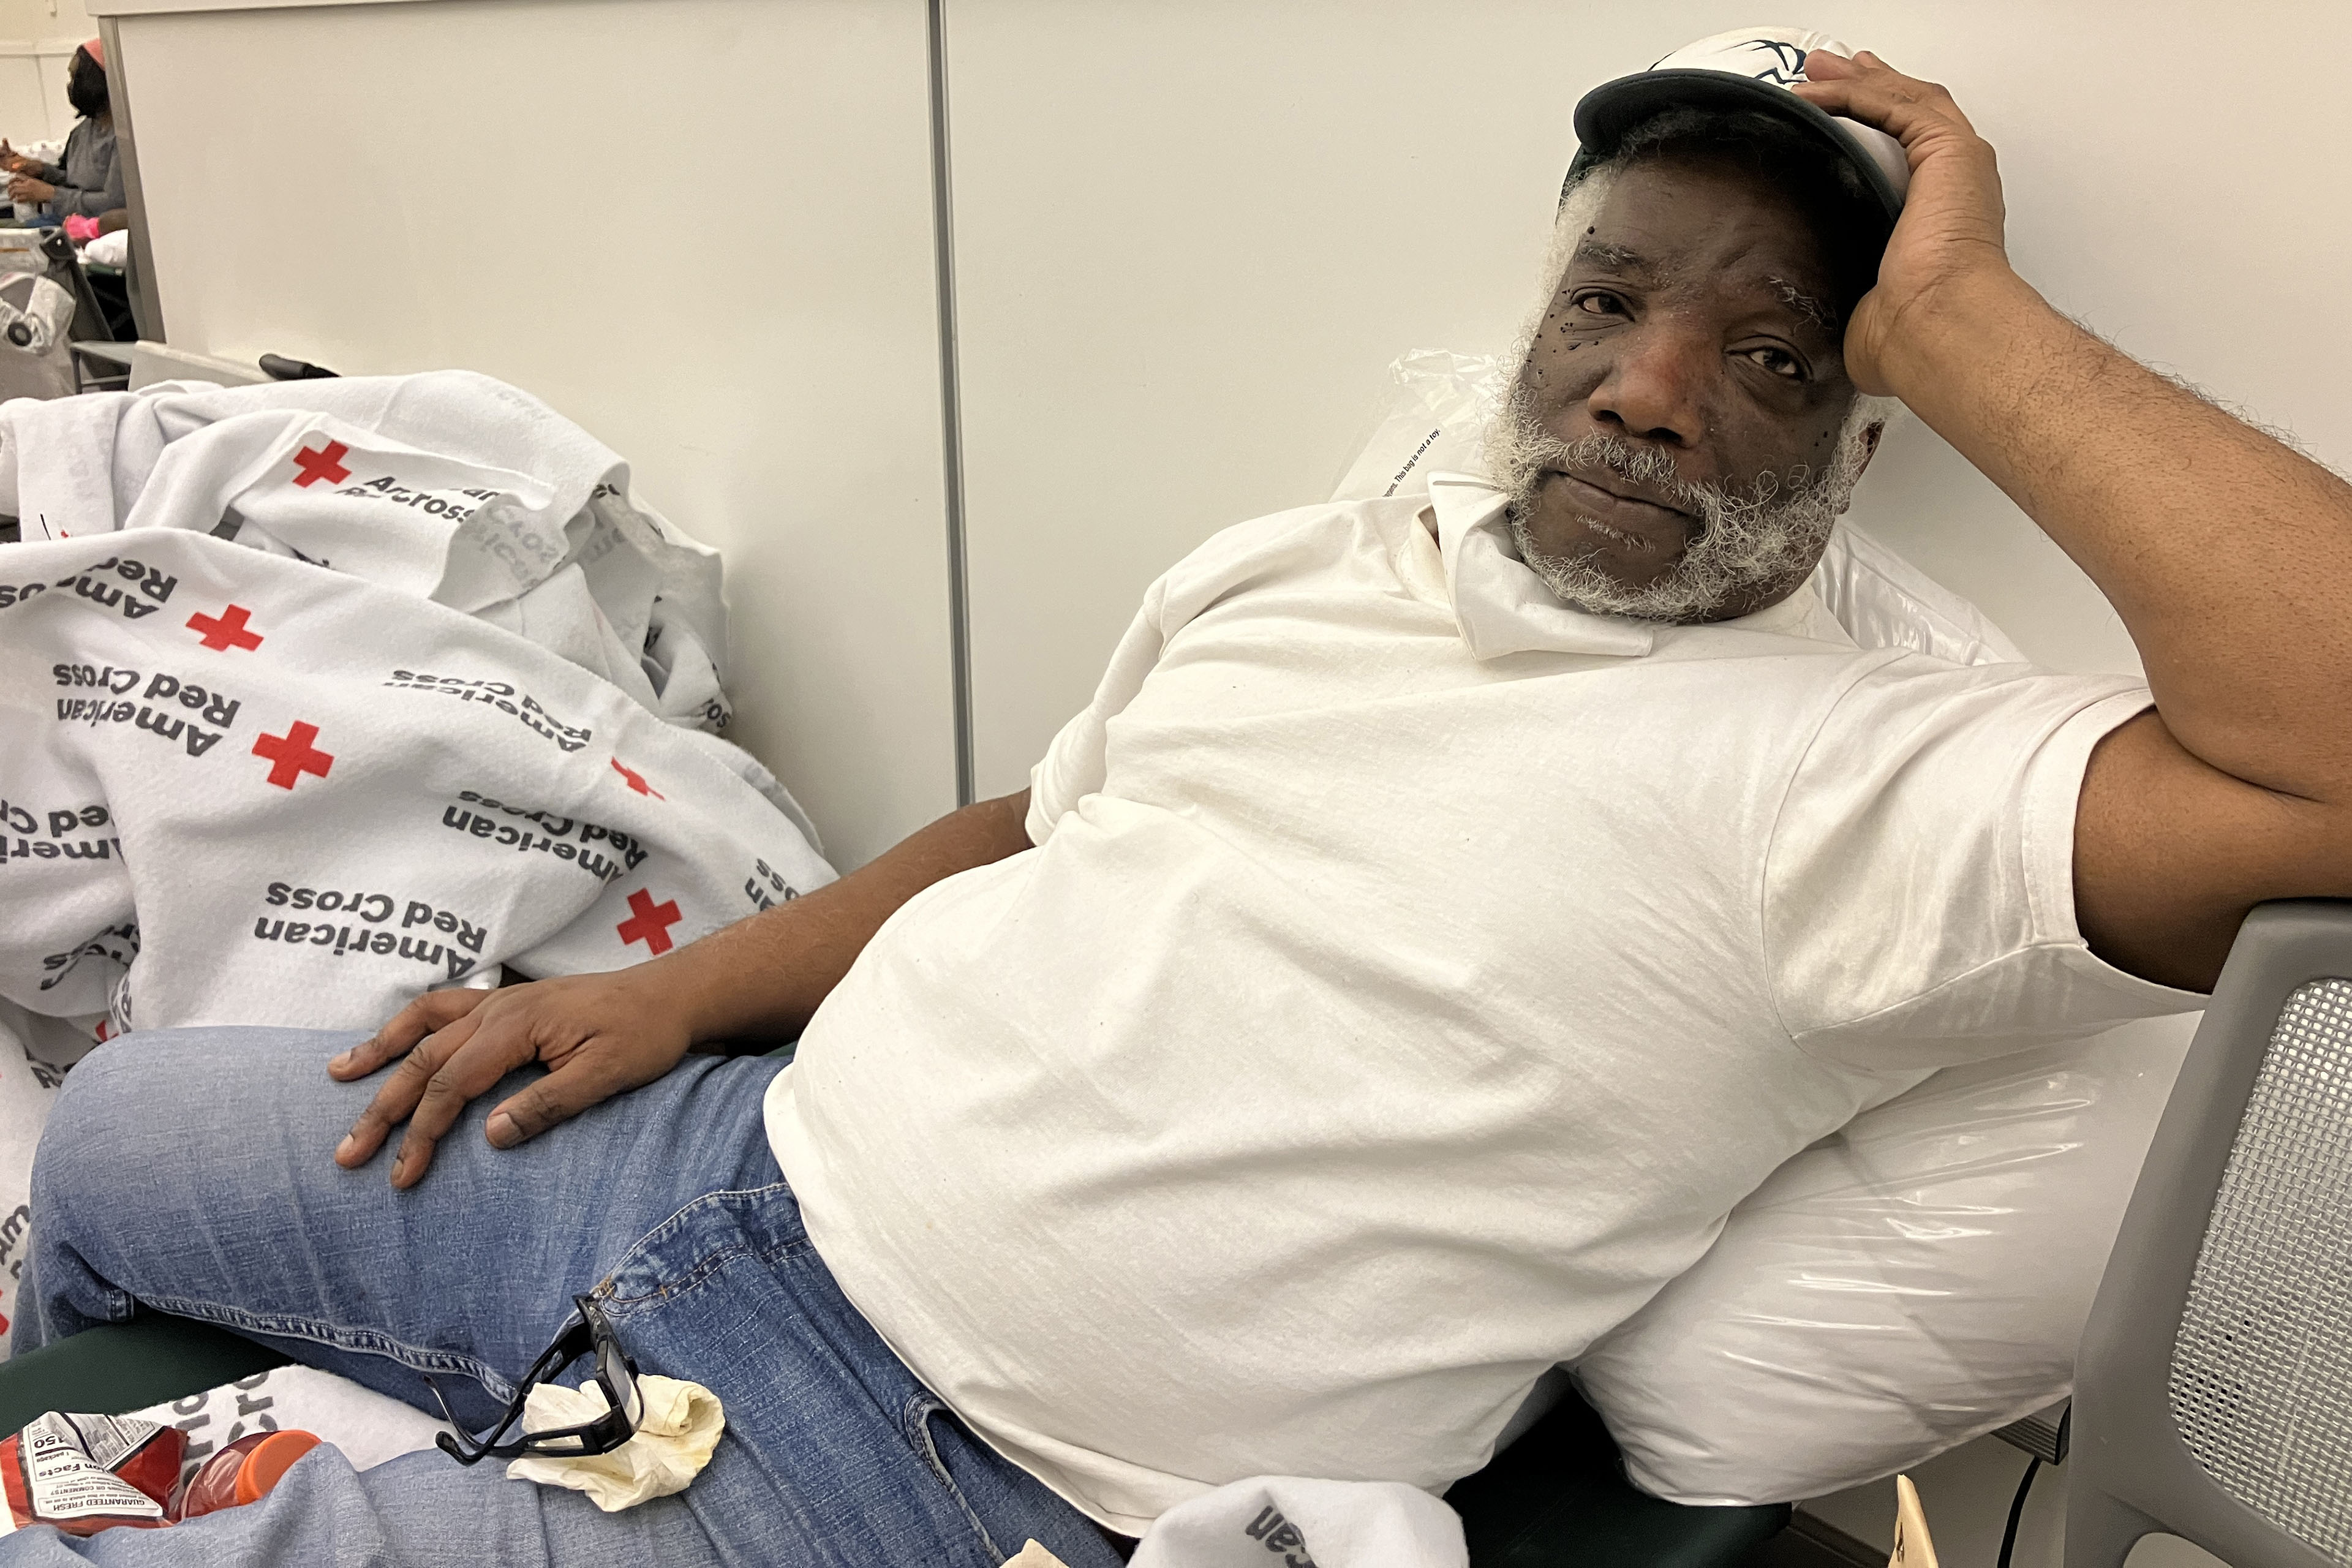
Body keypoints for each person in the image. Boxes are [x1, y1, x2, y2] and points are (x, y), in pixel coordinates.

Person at [15, 36, 2352, 1565]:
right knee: (107, 1152)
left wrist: (1964, 321)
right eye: (1603, 308)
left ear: (1858, 438)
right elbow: (1056, 812)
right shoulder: (1335, 559)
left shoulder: (1880, 789)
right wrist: (686, 996)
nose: (1646, 395)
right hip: (713, 1162)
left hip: (921, 1473)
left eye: (1767, 359)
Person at [1, 40, 123, 224]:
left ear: (97, 80)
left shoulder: (123, 139)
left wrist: (51, 194)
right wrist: (38, 169)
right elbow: (73, 182)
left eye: (75, 78)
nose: (70, 87)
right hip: (66, 222)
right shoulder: (81, 132)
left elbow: (115, 203)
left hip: (98, 232)